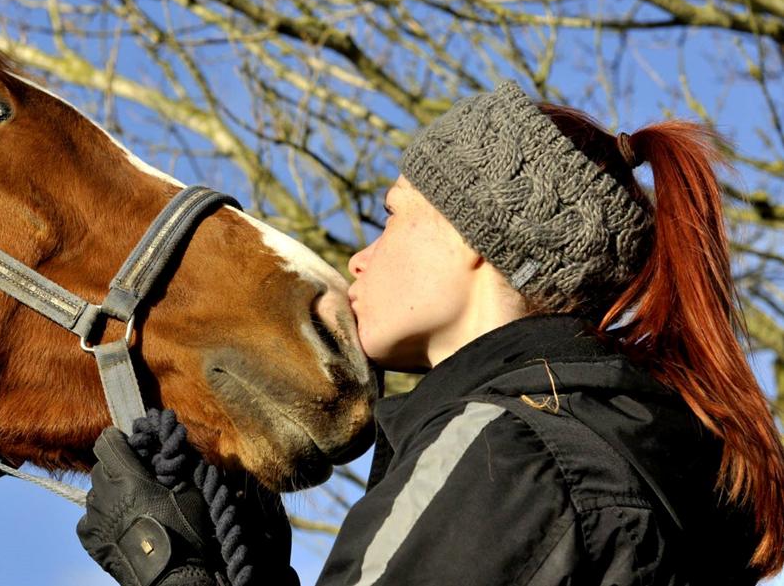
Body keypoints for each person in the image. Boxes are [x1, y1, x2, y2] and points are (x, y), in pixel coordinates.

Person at [76, 82, 784, 586]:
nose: (360, 256)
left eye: (392, 215)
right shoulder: (613, 443)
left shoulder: (504, 453)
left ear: (474, 237)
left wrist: (177, 570)